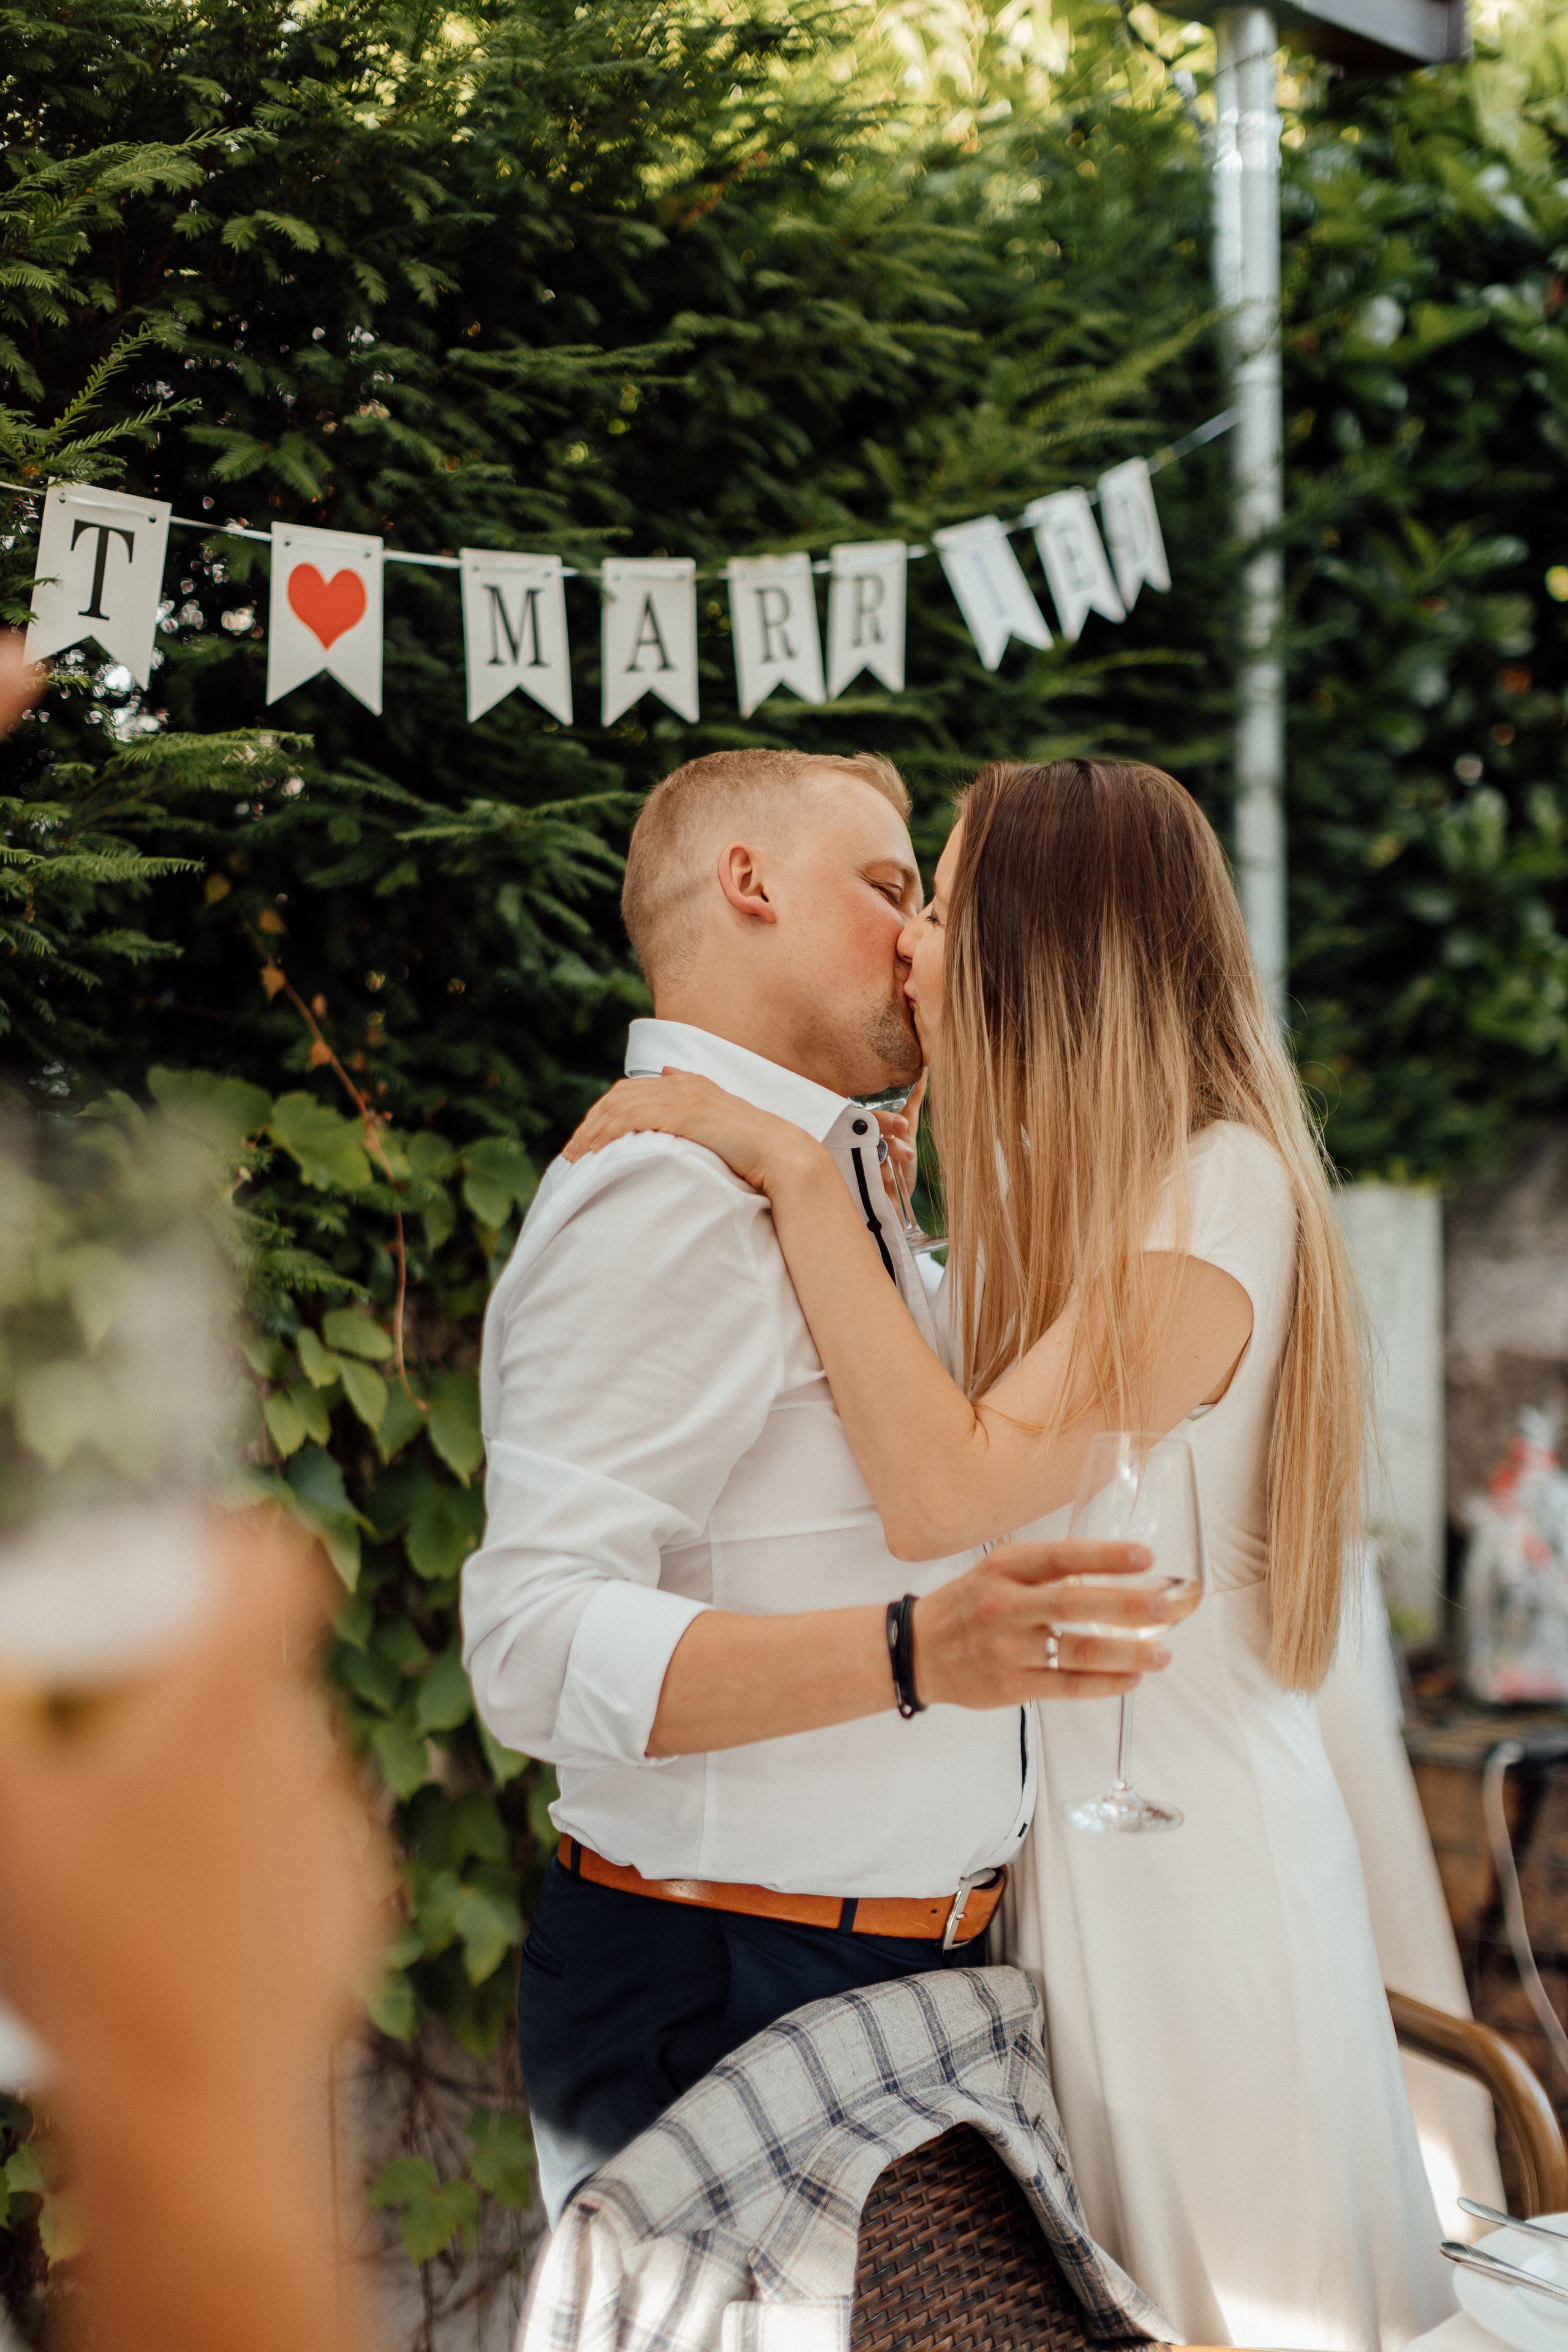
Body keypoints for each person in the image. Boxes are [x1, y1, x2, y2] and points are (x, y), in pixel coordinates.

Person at [565, 756, 1454, 2352]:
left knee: (1230, 2306)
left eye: (945, 901)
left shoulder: (1220, 1186)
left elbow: (938, 1489)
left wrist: (790, 1163)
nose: (911, 940)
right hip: (1070, 1878)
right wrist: (882, 1222)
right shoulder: (1088, 1200)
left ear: (1044, 940)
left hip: (1189, 1887)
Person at [459, 747, 1175, 2228]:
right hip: (722, 1988)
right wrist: (915, 1652)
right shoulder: (667, 1195)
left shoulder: (833, 1175)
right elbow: (528, 1647)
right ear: (750, 885)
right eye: (890, 887)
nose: (919, 940)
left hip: (894, 1976)